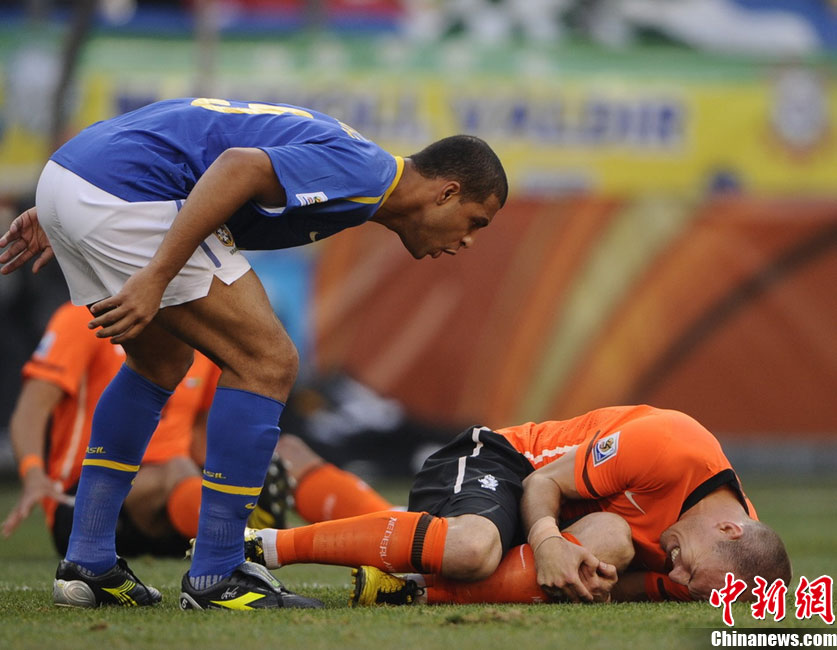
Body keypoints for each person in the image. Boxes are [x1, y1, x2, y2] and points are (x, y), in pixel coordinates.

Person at [0, 96, 507, 611]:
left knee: (159, 364)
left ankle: (87, 562)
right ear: (447, 192)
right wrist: (154, 272)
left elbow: (197, 138)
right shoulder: (367, 172)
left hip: (82, 175)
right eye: (476, 222)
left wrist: (71, 201)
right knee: (268, 361)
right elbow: (238, 166)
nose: (468, 241)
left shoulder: (359, 169)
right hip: (124, 190)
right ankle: (218, 573)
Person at [242, 404, 792, 605]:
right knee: (470, 547)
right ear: (729, 529)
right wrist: (549, 543)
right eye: (686, 569)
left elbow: (636, 585)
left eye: (686, 584)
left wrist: (597, 585)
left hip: (550, 524)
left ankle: (308, 476)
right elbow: (542, 483)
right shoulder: (672, 445)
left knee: (608, 542)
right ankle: (262, 548)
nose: (675, 575)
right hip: (507, 463)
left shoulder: (715, 568)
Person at [2, 300, 220, 555]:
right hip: (84, 496)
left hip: (175, 498)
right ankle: (230, 540)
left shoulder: (200, 328)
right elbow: (32, 408)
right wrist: (33, 474)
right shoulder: (83, 316)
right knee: (178, 470)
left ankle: (222, 532)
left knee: (238, 482)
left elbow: (201, 434)